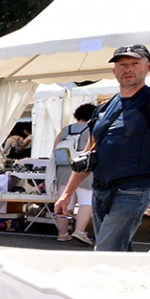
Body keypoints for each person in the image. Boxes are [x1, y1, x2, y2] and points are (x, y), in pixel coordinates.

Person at [55, 44, 150, 252]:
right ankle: (133, 285)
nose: (128, 69)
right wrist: (67, 194)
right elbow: (88, 155)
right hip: (101, 189)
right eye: (122, 64)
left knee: (106, 251)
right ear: (114, 70)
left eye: (135, 63)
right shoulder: (104, 107)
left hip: (134, 190)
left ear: (149, 67)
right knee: (119, 253)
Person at [52, 104, 95, 244]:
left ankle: (62, 233)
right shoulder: (91, 129)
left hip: (63, 170)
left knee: (65, 202)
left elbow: (54, 149)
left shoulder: (65, 130)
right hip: (83, 170)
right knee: (86, 201)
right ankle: (79, 231)